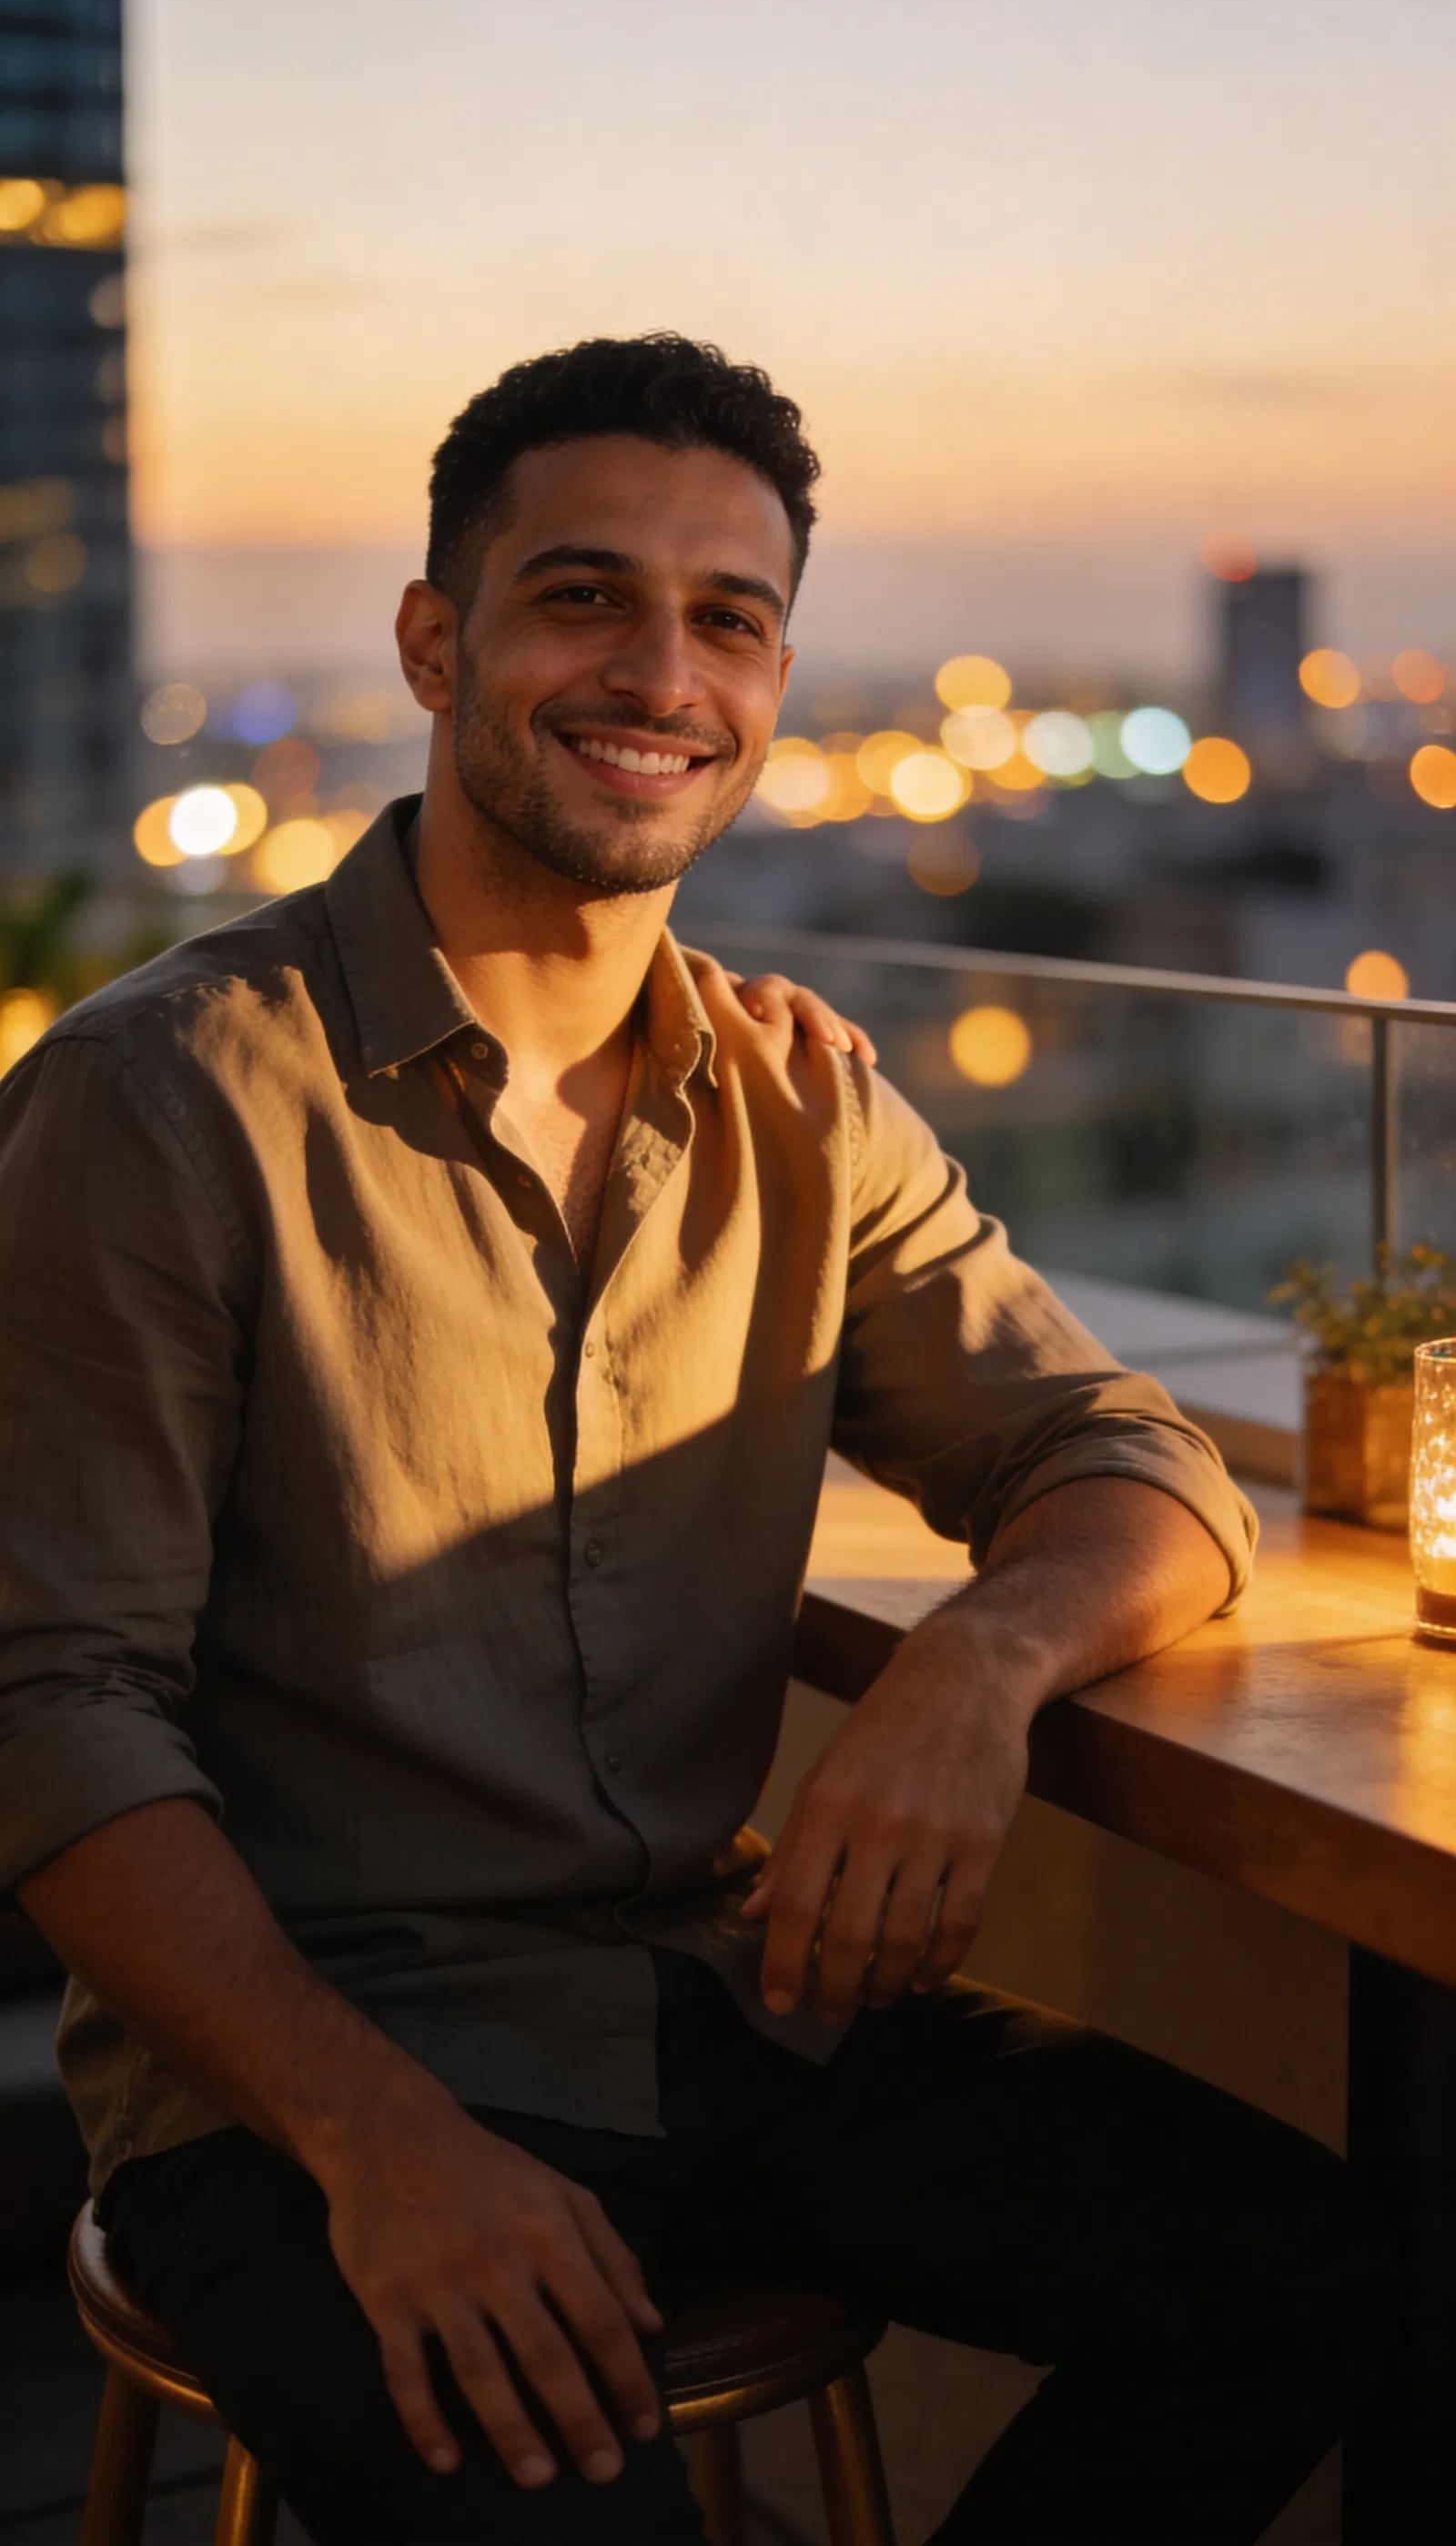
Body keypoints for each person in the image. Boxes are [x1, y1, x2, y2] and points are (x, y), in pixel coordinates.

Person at [2, 335, 1383, 2544]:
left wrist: (976, 1670)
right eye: (583, 598)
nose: (660, 673)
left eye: (725, 619)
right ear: (434, 640)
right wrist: (375, 2142)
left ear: (772, 683)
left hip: (712, 2006)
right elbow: (51, 1708)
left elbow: (1129, 1459)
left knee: (1332, 2280)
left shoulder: (800, 1104)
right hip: (302, 2071)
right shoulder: (161, 1099)